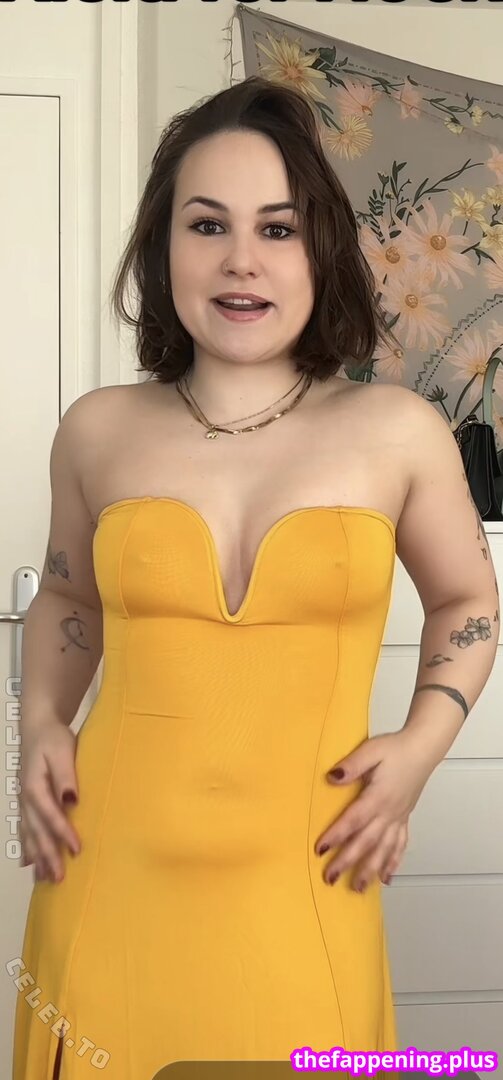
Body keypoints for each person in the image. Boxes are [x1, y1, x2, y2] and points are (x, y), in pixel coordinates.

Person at [12, 75, 499, 1080]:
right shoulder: (97, 429)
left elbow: (466, 600)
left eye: (276, 228)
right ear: (163, 249)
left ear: (319, 250)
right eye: (207, 225)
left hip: (311, 873)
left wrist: (418, 749)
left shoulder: (396, 431)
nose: (241, 259)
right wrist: (43, 726)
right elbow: (66, 595)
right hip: (106, 872)